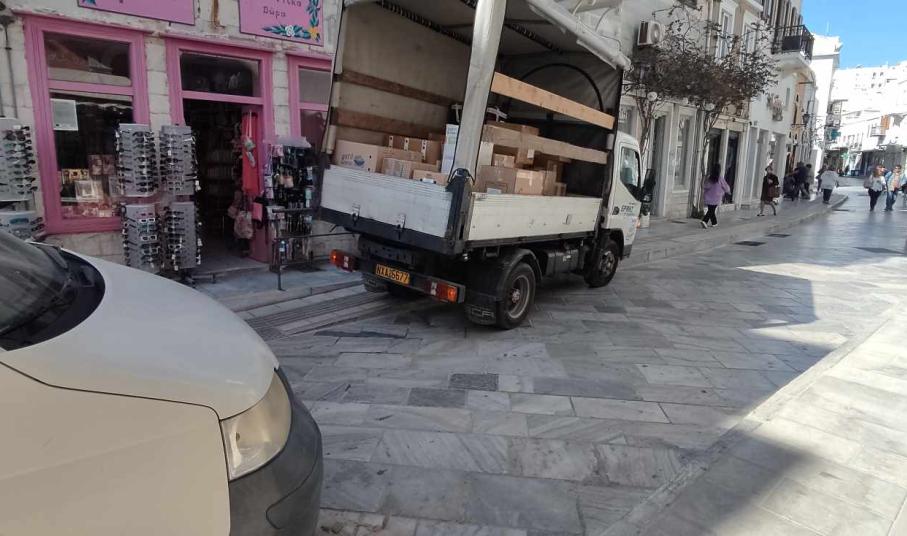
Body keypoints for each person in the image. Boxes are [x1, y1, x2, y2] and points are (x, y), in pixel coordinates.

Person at [700, 164, 731, 229]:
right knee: (711, 211)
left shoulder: (710, 178)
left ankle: (714, 223)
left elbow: (706, 186)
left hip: (708, 198)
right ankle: (704, 221)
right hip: (716, 198)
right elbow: (725, 186)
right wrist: (728, 191)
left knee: (711, 210)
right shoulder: (720, 179)